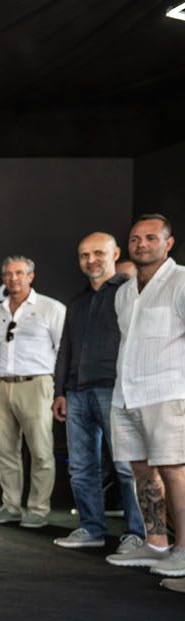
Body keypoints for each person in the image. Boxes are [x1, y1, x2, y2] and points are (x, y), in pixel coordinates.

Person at [50, 233, 144, 552]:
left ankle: (137, 534)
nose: (91, 260)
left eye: (98, 253)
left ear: (115, 253)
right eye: (84, 255)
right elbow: (66, 348)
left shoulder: (131, 293)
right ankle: (91, 528)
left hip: (115, 389)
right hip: (76, 393)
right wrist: (60, 391)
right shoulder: (76, 303)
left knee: (126, 466)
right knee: (81, 466)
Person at [105, 214, 185, 578]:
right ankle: (156, 545)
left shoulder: (181, 281)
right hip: (126, 393)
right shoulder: (123, 291)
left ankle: (183, 549)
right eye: (135, 238)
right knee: (140, 469)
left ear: (168, 244)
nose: (141, 244)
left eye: (151, 238)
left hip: (167, 392)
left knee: (173, 470)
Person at [0, 256, 66, 529]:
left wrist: (56, 386)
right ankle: (11, 506)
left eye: (19, 273)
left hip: (37, 383)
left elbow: (62, 351)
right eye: (7, 273)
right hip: (1, 384)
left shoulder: (51, 308)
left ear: (31, 276)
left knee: (41, 451)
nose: (13, 278)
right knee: (6, 451)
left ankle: (38, 509)